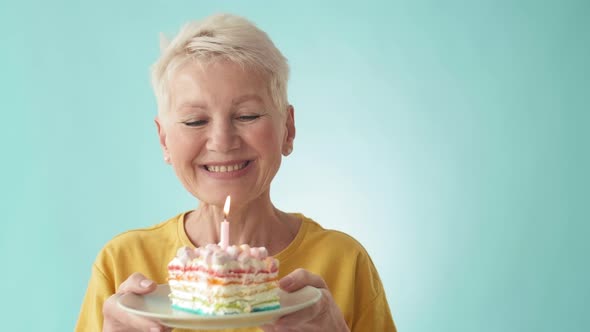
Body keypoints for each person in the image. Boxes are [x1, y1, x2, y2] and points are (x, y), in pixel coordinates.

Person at [76, 13, 396, 332]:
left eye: (247, 115)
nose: (222, 142)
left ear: (288, 129)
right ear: (164, 141)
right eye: (195, 121)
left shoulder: (344, 262)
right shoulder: (122, 266)